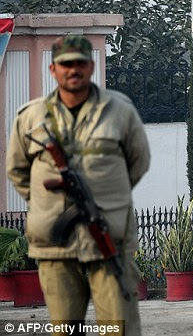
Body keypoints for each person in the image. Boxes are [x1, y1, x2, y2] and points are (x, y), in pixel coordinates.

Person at [6, 35, 150, 336]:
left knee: (116, 328)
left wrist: (108, 196)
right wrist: (51, 202)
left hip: (107, 236)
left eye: (80, 63)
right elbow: (17, 171)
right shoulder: (31, 117)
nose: (74, 70)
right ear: (53, 70)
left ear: (92, 66)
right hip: (55, 245)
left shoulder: (120, 111)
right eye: (66, 64)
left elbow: (138, 163)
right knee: (65, 329)